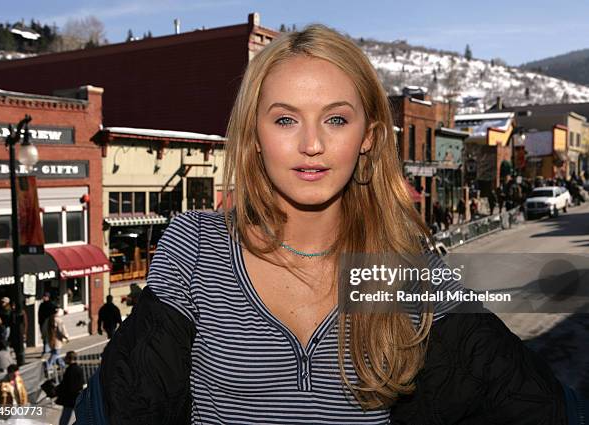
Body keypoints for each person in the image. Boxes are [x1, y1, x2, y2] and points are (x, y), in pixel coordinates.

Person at [76, 24, 581, 425]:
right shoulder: (196, 249)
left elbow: (530, 400)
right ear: (254, 135)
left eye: (336, 119)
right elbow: (122, 404)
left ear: (368, 136)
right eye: (285, 119)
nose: (312, 144)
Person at [55, 351, 85, 425]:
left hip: (69, 398)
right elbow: (81, 383)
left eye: (66, 358)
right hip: (77, 397)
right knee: (81, 417)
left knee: (65, 418)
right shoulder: (79, 369)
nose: (64, 359)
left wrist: (58, 390)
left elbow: (67, 385)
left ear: (69, 359)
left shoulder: (70, 370)